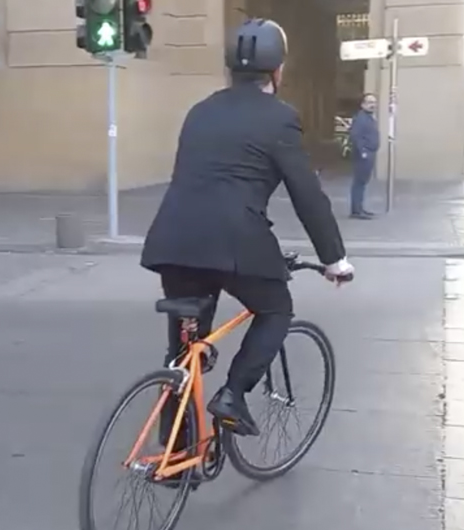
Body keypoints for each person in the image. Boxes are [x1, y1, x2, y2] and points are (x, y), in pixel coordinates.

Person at [139, 18, 354, 441]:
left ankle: (175, 458)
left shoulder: (199, 112)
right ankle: (233, 395)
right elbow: (306, 194)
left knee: (184, 352)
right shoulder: (279, 118)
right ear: (278, 70)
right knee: (276, 309)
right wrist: (334, 259)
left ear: (230, 69)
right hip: (235, 243)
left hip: (173, 241)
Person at [348, 93, 379, 219]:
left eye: (374, 102)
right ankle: (356, 210)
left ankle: (359, 208)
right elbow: (356, 136)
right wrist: (363, 152)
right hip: (364, 155)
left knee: (362, 183)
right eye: (369, 102)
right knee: (359, 183)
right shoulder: (361, 118)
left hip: (369, 153)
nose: (372, 105)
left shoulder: (369, 118)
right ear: (363, 104)